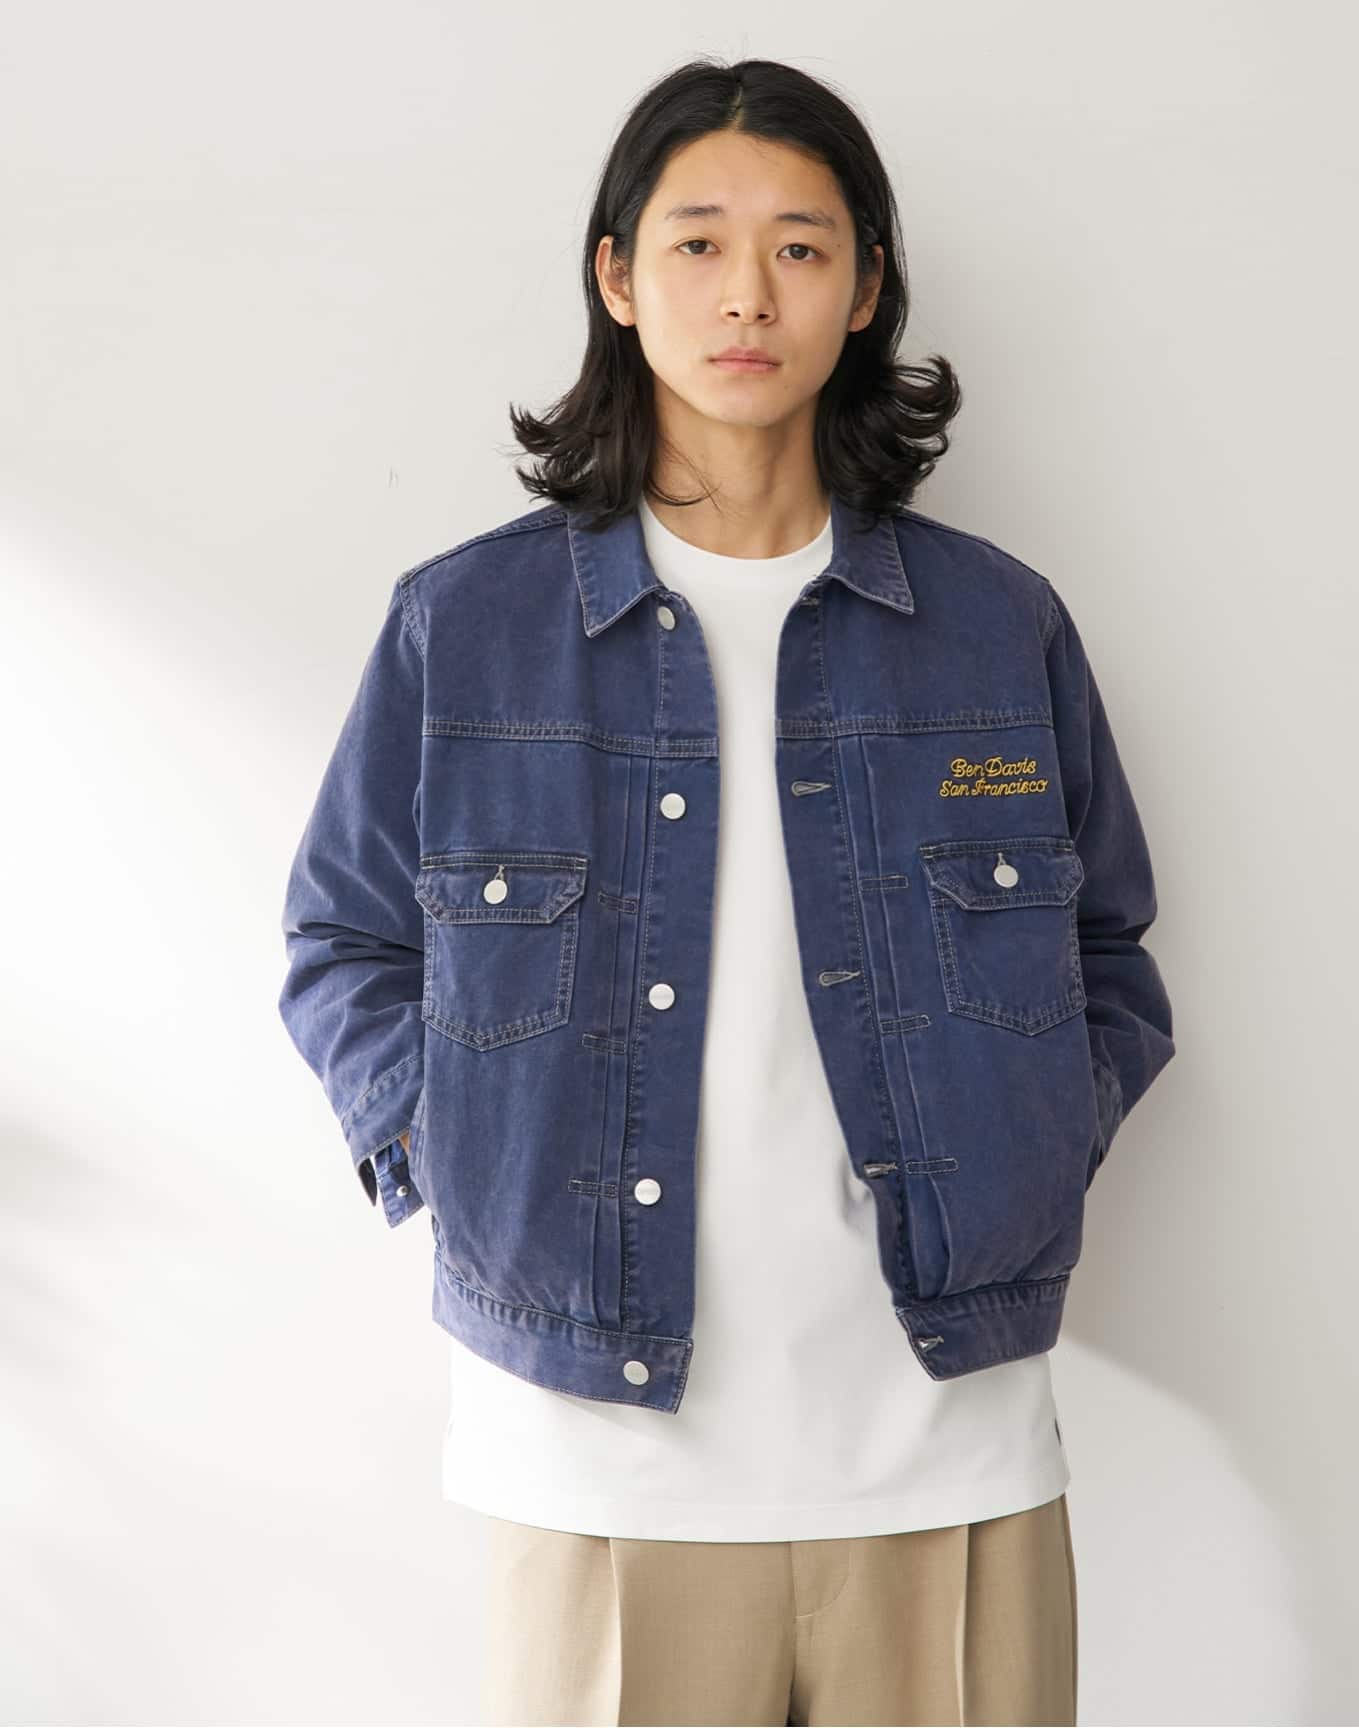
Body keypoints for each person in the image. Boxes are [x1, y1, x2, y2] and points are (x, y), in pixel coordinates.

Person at [277, 55, 1175, 1728]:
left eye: (801, 247)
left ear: (866, 288)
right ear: (618, 278)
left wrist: (1035, 1138)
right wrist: (454, 1165)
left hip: (950, 1452)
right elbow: (344, 942)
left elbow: (1105, 953)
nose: (748, 293)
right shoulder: (468, 630)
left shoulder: (998, 629)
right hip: (599, 1462)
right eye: (698, 243)